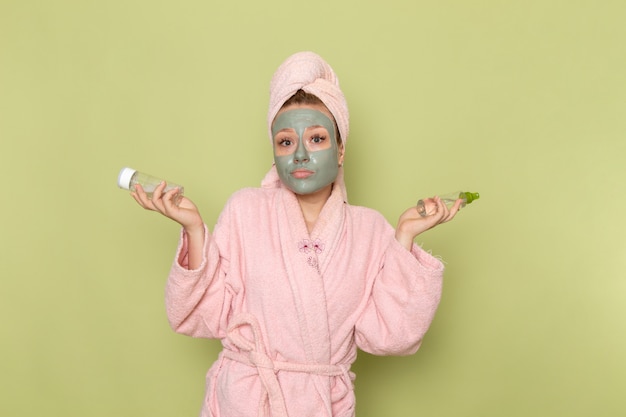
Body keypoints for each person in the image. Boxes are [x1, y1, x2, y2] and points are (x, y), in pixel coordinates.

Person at [131, 51, 462, 417]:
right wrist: (193, 228)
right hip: (246, 401)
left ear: (340, 150)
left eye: (317, 138)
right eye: (286, 142)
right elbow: (202, 314)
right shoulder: (245, 210)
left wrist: (404, 236)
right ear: (274, 153)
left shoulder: (370, 230)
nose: (300, 154)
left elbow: (390, 335)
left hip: (322, 405)